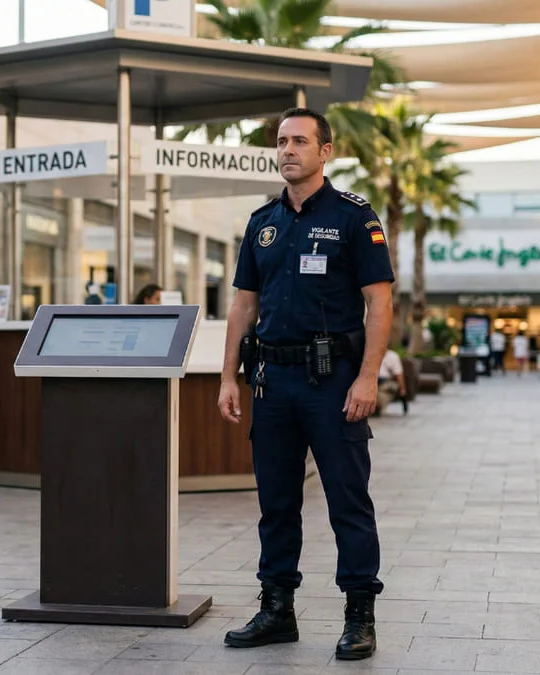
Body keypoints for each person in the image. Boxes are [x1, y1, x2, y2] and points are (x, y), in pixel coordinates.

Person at [217, 107, 394, 660]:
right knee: (276, 502)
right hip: (272, 381)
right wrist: (228, 377)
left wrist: (367, 377)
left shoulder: (352, 217)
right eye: (282, 141)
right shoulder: (262, 221)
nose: (288, 149)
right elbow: (243, 303)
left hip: (333, 382)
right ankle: (277, 610)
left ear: (326, 152)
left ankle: (359, 614)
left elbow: (380, 301)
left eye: (300, 141)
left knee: (346, 498)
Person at [377, 347, 407, 415]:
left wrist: (402, 389)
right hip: (373, 381)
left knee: (385, 390)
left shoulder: (393, 356)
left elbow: (399, 374)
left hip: (386, 381)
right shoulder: (368, 353)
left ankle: (379, 406)